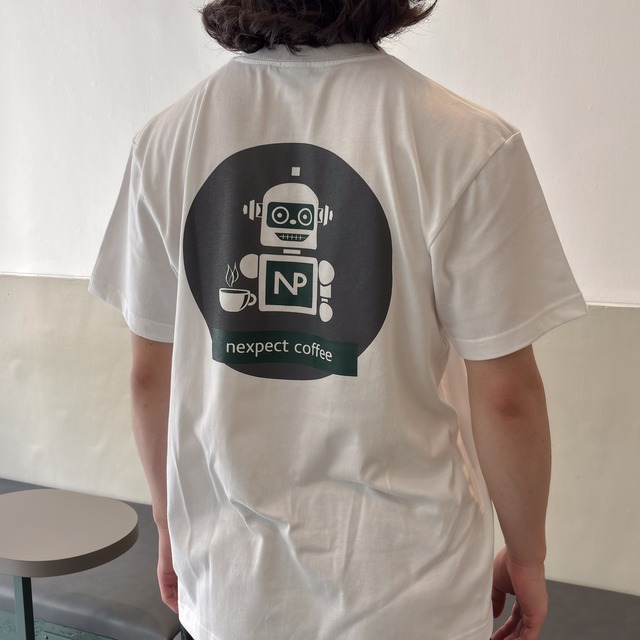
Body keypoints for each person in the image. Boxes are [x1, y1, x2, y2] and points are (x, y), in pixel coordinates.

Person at [90, 2, 587, 639]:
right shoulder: (468, 143)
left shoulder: (165, 143)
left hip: (230, 590)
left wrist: (169, 527)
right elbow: (507, 397)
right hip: (413, 597)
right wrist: (527, 557)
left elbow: (149, 378)